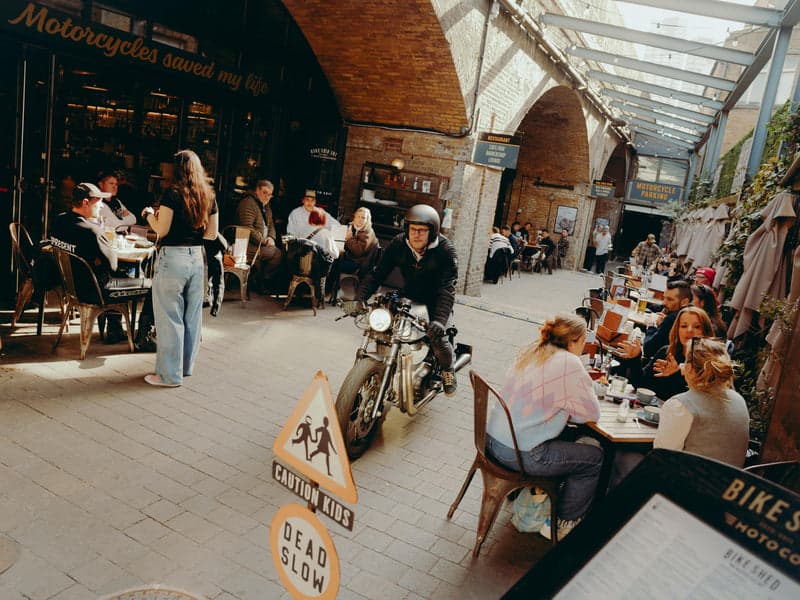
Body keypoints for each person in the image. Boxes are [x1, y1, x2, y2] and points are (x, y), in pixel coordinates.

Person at [486, 314, 602, 540]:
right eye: (583, 342)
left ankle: (539, 500)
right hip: (520, 453)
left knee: (567, 438)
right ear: (572, 341)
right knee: (594, 458)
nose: (584, 347)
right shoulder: (569, 362)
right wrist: (569, 407)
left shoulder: (534, 351)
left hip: (491, 441)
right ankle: (560, 523)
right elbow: (591, 413)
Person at [348, 204, 460, 395]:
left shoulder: (445, 251)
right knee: (385, 328)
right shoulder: (399, 243)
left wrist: (439, 321)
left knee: (439, 338)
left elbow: (446, 290)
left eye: (422, 230)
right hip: (409, 295)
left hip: (436, 299)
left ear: (432, 232)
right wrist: (359, 299)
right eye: (412, 229)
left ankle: (448, 370)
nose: (416, 234)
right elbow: (377, 274)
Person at [141, 149, 218, 387]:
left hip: (172, 258)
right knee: (192, 317)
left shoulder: (172, 194)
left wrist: (148, 216)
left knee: (169, 317)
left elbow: (161, 230)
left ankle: (168, 375)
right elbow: (212, 234)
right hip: (197, 258)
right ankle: (185, 369)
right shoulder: (208, 195)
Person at [654, 337, 749, 466]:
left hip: (689, 483)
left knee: (626, 457)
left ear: (688, 367)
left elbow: (661, 459)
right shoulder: (739, 400)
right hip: (728, 483)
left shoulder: (681, 406)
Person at [50, 182, 125, 344]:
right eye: (98, 202)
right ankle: (118, 330)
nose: (101, 206)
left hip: (69, 287)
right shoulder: (91, 231)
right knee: (128, 276)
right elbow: (113, 265)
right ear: (85, 202)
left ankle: (114, 328)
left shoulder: (59, 221)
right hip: (93, 291)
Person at [619, 306, 715, 401]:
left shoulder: (709, 364)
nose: (689, 330)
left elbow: (694, 403)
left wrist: (675, 374)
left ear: (705, 332)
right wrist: (635, 358)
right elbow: (641, 385)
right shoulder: (666, 352)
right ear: (677, 330)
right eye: (684, 326)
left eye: (697, 327)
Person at [619, 279, 692, 360]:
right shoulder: (687, 314)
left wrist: (651, 325)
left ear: (684, 302)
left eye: (670, 299)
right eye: (664, 298)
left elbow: (648, 349)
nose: (664, 303)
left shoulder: (672, 318)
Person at [236, 179, 283, 291]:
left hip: (261, 244)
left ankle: (258, 279)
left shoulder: (265, 206)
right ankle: (260, 280)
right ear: (257, 190)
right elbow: (247, 228)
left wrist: (271, 237)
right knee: (277, 254)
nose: (267, 197)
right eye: (264, 192)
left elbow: (271, 224)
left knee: (277, 252)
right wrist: (264, 241)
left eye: (270, 195)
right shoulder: (248, 203)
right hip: (247, 245)